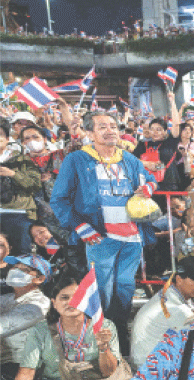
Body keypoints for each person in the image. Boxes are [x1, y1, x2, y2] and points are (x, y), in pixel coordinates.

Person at [50, 111, 158, 356]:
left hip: (132, 238)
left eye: (113, 125)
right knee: (102, 293)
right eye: (102, 127)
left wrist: (147, 188)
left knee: (125, 290)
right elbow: (59, 200)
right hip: (100, 238)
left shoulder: (129, 159)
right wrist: (81, 227)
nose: (110, 130)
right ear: (90, 133)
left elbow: (150, 179)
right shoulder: (77, 160)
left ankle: (120, 336)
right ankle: (104, 343)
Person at [130, 255, 194, 367]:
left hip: (149, 362)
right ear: (179, 279)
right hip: (149, 370)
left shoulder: (169, 293)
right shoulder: (177, 309)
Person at [0, 255, 51, 365]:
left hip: (18, 366)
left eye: (24, 270)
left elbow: (3, 326)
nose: (14, 271)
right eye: (14, 267)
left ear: (40, 279)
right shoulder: (8, 298)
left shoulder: (40, 303)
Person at [0, 120, 41, 255]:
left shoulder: (23, 160)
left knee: (22, 256)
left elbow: (35, 185)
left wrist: (13, 174)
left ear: (7, 139)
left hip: (20, 214)